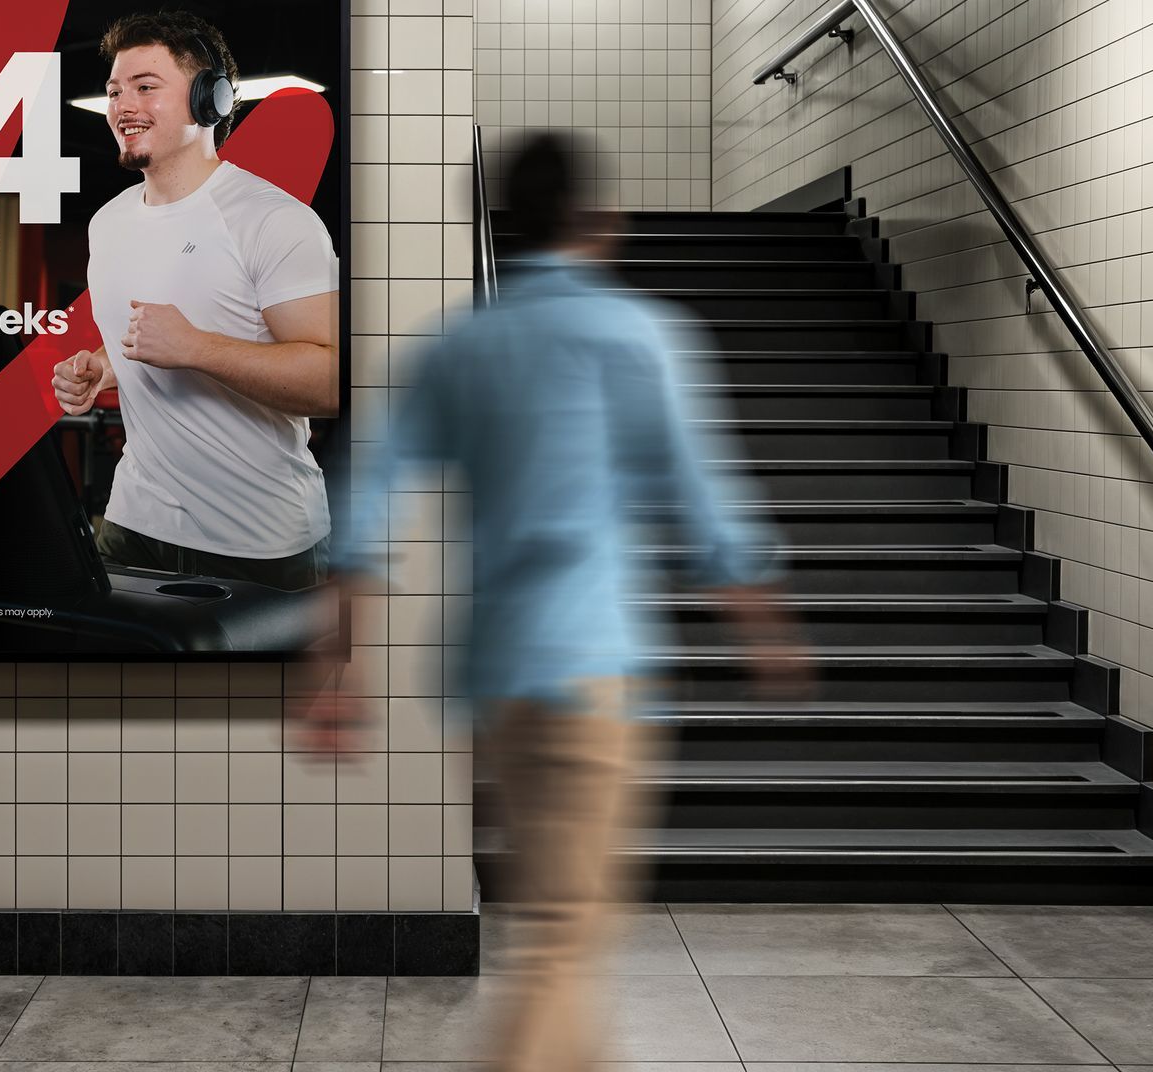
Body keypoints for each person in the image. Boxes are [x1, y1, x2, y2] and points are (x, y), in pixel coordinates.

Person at [303, 132, 806, 1072]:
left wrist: (337, 667)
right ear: (595, 220)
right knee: (566, 936)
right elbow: (708, 503)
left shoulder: (460, 346)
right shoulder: (639, 335)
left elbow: (364, 503)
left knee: (560, 923)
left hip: (495, 679)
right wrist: (766, 628)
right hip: (594, 671)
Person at [51, 10, 339, 591]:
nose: (122, 106)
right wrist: (102, 368)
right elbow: (143, 342)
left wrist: (197, 348)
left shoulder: (274, 220)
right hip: (133, 521)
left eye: (145, 87)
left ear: (211, 99)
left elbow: (333, 383)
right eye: (114, 91)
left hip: (260, 539)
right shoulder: (107, 224)